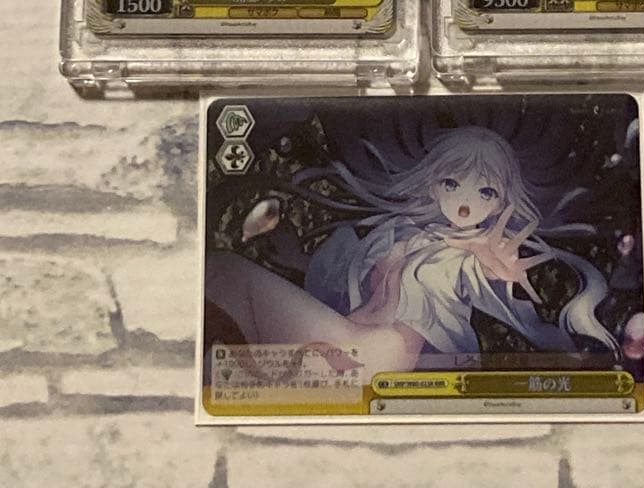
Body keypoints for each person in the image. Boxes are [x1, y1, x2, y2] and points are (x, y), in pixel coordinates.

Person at [205, 126, 620, 383]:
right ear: (433, 184)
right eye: (452, 183)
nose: (465, 203)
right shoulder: (399, 232)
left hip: (381, 355)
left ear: (501, 203)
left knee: (226, 278)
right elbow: (347, 287)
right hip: (350, 341)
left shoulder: (465, 256)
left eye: (485, 191)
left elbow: (477, 276)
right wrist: (297, 258)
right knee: (225, 354)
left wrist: (497, 270)